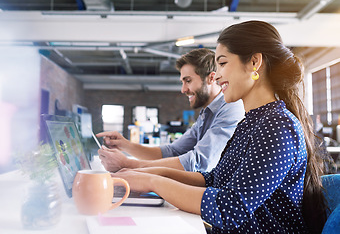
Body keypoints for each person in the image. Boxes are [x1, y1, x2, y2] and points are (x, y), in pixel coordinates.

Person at [112, 21, 327, 233]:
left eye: (222, 63)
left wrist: (151, 182)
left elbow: (229, 209)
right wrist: (146, 172)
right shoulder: (252, 122)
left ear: (254, 62)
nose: (217, 75)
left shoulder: (278, 125)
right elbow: (213, 180)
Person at [97, 48, 245, 173]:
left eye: (188, 81)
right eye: (182, 82)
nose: (183, 89)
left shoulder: (231, 109)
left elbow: (198, 162)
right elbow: (172, 152)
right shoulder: (206, 113)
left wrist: (128, 164)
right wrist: (125, 145)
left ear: (211, 78)